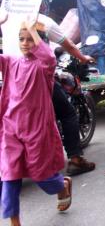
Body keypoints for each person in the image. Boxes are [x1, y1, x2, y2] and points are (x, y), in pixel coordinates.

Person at [0, 15, 73, 226]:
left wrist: (33, 29)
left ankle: (62, 185)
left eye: (30, 39)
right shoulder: (11, 62)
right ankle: (15, 221)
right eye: (21, 39)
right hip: (10, 127)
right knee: (9, 175)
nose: (25, 43)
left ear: (39, 42)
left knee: (41, 175)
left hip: (36, 128)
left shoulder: (44, 67)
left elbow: (49, 58)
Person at [30, 0, 96, 176]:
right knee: (68, 114)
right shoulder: (42, 22)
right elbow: (67, 44)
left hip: (13, 79)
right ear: (43, 4)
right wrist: (83, 57)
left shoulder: (7, 20)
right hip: (39, 78)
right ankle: (75, 158)